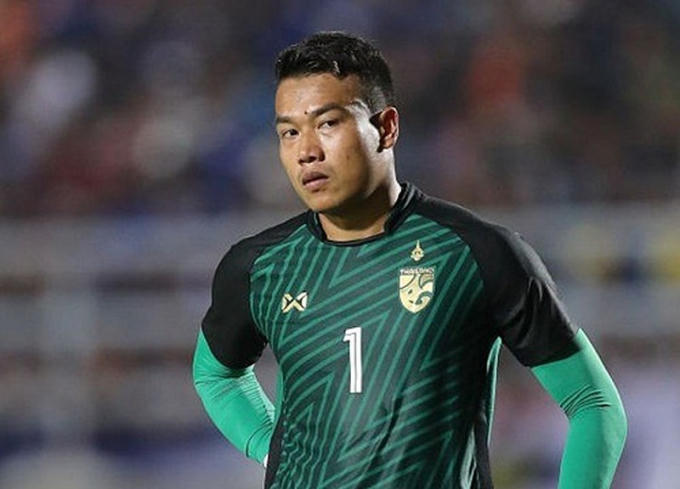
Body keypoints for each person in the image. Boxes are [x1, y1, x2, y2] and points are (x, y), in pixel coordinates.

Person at [192, 31, 627, 489]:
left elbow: (595, 405)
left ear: (386, 128)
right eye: (289, 133)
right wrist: (271, 448)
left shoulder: (474, 253)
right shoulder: (260, 267)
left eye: (328, 124)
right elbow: (215, 375)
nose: (307, 152)